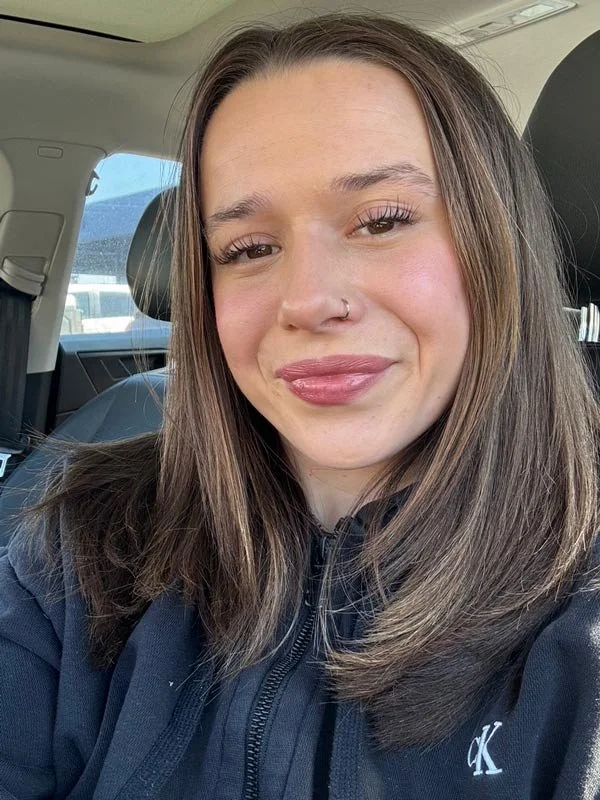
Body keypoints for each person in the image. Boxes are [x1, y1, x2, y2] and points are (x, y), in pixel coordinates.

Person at [1, 12, 599, 800]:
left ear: (498, 243)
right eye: (247, 249)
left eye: (383, 219)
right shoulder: (76, 548)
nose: (309, 300)